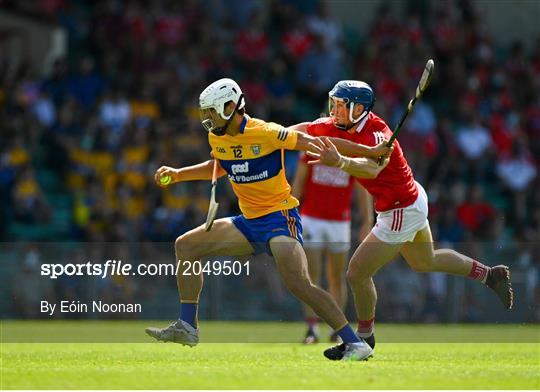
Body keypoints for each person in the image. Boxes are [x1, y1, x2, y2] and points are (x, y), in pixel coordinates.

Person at [145, 78, 391, 361]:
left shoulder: (267, 132)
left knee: (299, 284)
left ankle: (354, 343)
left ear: (230, 107)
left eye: (211, 112)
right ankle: (187, 325)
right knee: (186, 246)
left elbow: (319, 143)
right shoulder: (217, 137)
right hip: (248, 222)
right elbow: (219, 165)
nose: (207, 119)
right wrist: (178, 174)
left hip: (279, 218)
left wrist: (370, 152)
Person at [292, 80, 513, 360]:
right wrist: (267, 134)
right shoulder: (339, 126)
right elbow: (301, 130)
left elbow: (372, 168)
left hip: (400, 210)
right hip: (411, 199)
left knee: (356, 273)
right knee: (426, 261)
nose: (333, 110)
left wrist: (340, 161)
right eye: (332, 103)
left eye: (339, 105)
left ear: (358, 108)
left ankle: (364, 340)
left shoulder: (378, 133)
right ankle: (490, 275)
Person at [292, 142, 373, 344]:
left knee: (336, 277)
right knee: (311, 276)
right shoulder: (311, 149)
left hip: (340, 221)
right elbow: (298, 185)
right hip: (312, 218)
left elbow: (363, 190)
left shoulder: (349, 153)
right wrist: (289, 216)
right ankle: (312, 328)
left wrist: (367, 221)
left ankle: (337, 329)